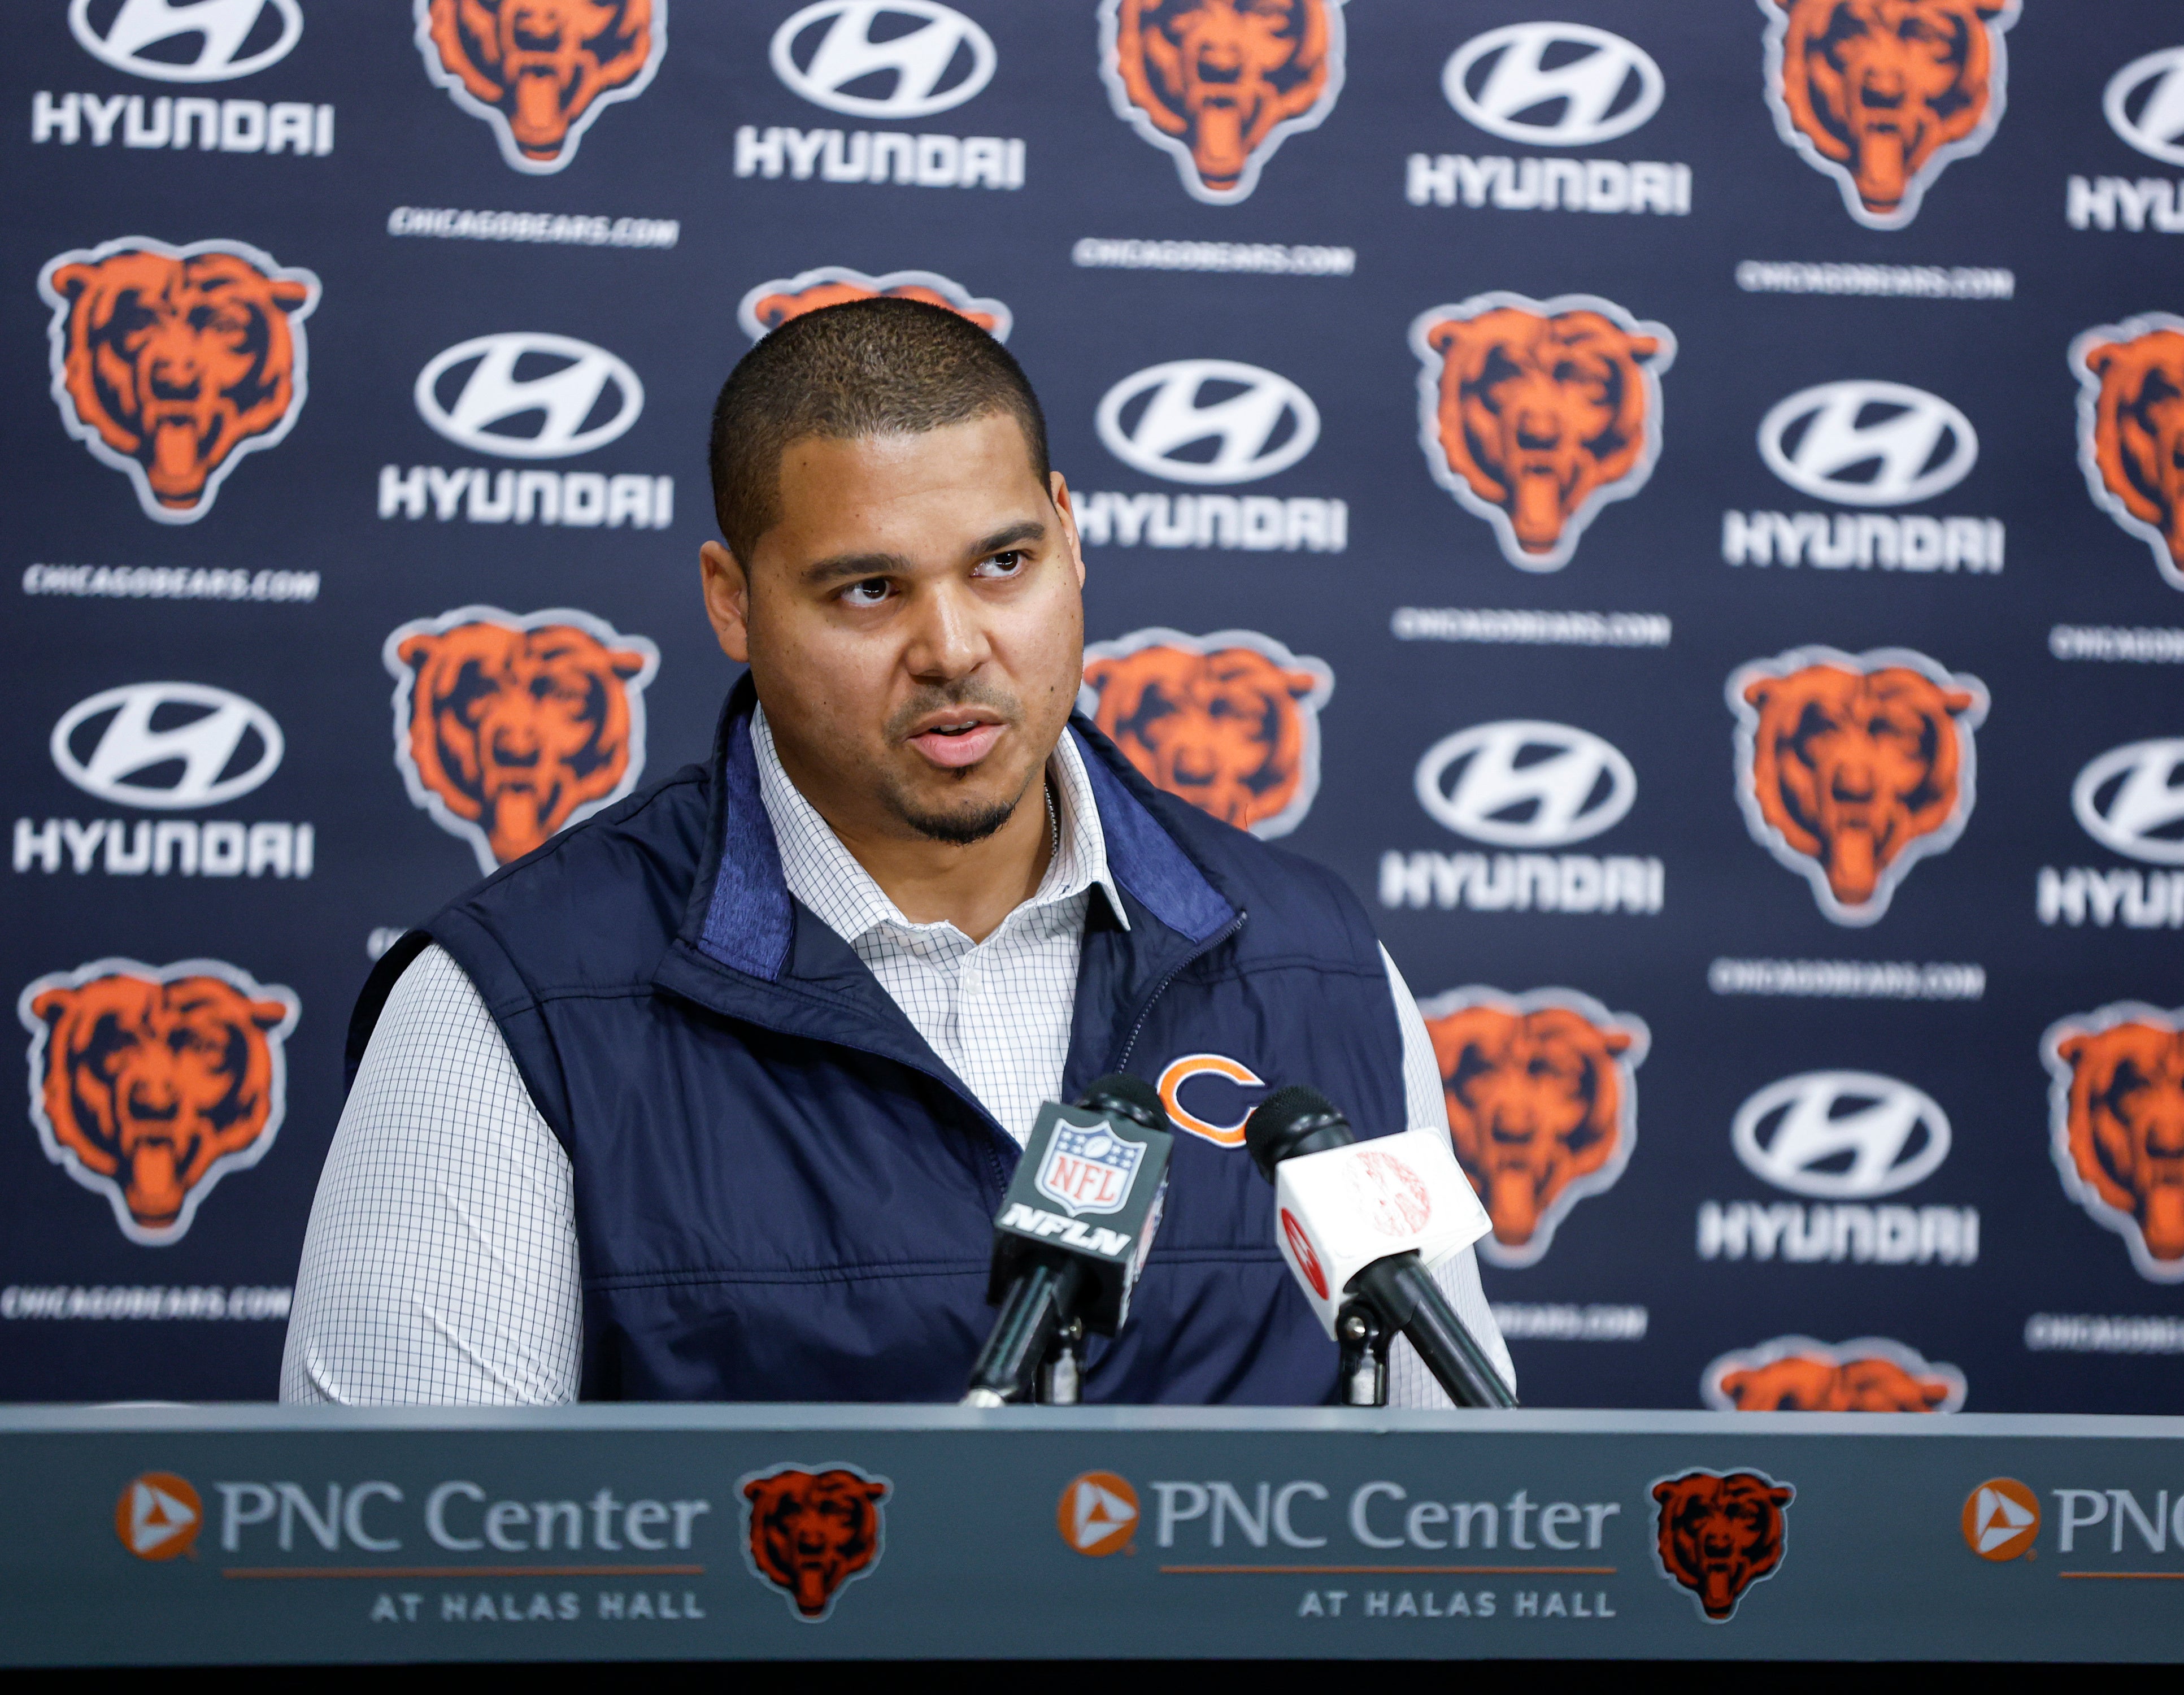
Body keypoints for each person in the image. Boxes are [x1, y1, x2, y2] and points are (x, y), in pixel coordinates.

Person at [282, 298, 1511, 1407]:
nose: (953, 646)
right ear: (731, 598)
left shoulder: (1320, 967)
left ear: (1072, 535)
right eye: (870, 590)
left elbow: (1459, 1529)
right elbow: (412, 1584)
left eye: (1004, 563)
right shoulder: (517, 1007)